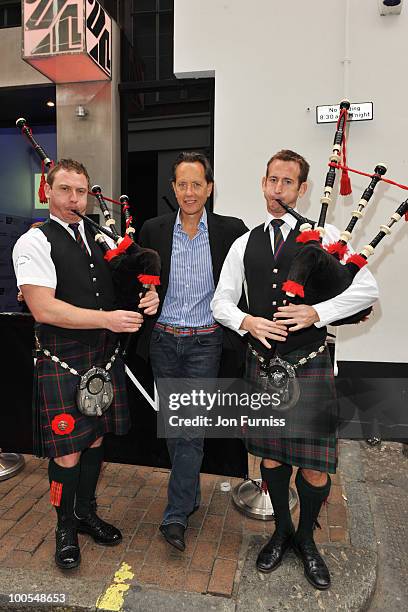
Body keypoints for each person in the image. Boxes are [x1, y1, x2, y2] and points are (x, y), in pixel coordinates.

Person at [211, 149, 379, 590]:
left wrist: (316, 313)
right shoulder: (244, 242)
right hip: (264, 365)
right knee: (270, 457)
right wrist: (245, 321)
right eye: (271, 180)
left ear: (302, 189)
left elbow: (367, 290)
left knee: (315, 467)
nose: (277, 190)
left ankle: (306, 540)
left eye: (287, 182)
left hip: (310, 363)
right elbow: (221, 300)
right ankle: (281, 532)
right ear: (262, 183)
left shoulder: (324, 235)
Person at [12, 159, 159, 570]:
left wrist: (147, 298)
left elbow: (125, 289)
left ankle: (85, 513)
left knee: (95, 439)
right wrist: (107, 320)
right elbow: (43, 308)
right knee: (67, 451)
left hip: (103, 356)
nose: (73, 199)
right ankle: (63, 526)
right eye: (64, 190)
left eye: (81, 191)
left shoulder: (101, 238)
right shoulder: (34, 242)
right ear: (48, 191)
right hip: (64, 357)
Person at [138, 151, 248, 552]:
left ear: (209, 188)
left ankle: (175, 514)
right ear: (173, 188)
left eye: (196, 184)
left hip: (206, 341)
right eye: (182, 184)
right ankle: (189, 496)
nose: (189, 192)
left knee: (189, 428)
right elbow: (136, 276)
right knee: (177, 428)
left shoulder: (230, 231)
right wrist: (143, 295)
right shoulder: (153, 229)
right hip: (164, 340)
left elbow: (248, 279)